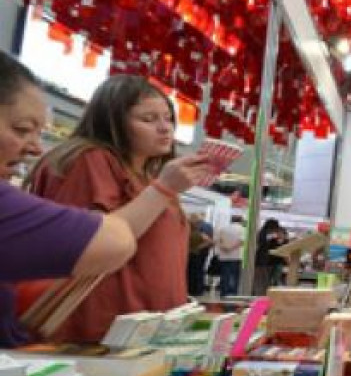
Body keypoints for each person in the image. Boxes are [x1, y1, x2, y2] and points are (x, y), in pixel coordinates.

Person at [26, 74, 210, 343]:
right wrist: (163, 190)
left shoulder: (147, 175)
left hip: (148, 331)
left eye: (168, 118)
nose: (165, 128)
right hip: (102, 333)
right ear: (111, 121)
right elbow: (93, 242)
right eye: (148, 119)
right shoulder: (89, 160)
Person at [0, 52, 140, 347]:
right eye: (22, 129)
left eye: (168, 118)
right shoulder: (87, 161)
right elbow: (113, 242)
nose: (35, 147)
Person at [254, 218, 289, 296]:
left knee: (263, 282)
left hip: (265, 262)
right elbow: (264, 242)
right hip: (263, 261)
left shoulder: (264, 233)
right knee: (263, 282)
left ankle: (263, 297)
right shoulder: (264, 234)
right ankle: (262, 298)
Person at [214, 215, 246, 296]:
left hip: (223, 256)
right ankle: (233, 294)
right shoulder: (242, 229)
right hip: (236, 256)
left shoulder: (223, 229)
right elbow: (241, 241)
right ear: (241, 221)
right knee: (234, 277)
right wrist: (231, 248)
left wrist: (225, 247)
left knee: (224, 276)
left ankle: (223, 293)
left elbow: (218, 240)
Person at [187, 213, 213, 297]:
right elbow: (210, 241)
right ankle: (197, 290)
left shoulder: (191, 232)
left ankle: (192, 290)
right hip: (197, 254)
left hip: (192, 254)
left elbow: (210, 241)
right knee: (198, 271)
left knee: (191, 272)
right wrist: (199, 247)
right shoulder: (199, 232)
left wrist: (197, 247)